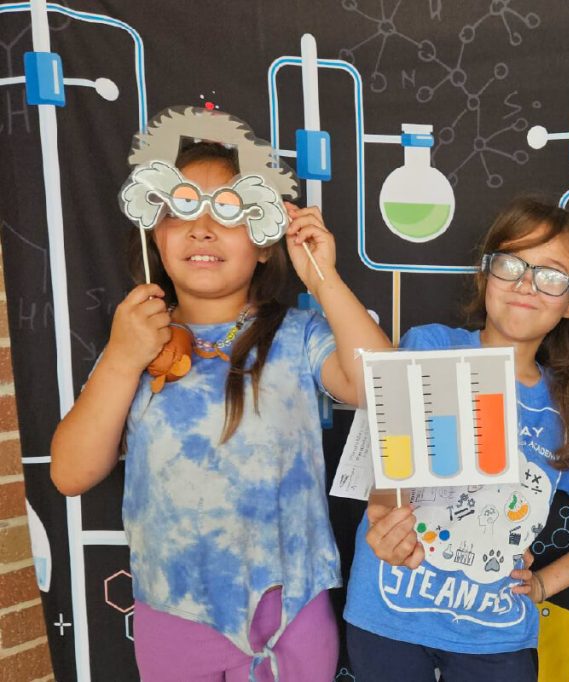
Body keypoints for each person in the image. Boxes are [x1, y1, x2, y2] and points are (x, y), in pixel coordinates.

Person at [50, 108, 390, 681]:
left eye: (228, 211)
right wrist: (123, 357)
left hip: (292, 606)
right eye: (180, 209)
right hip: (175, 611)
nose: (202, 228)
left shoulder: (298, 336)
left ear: (264, 243)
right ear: (155, 233)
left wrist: (322, 278)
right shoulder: (135, 339)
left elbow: (378, 386)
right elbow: (70, 474)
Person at [343, 197, 569, 681]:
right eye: (511, 264)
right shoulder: (431, 347)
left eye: (551, 274)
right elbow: (389, 461)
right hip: (389, 611)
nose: (526, 284)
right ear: (486, 274)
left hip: (495, 633)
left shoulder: (567, 408)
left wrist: (543, 584)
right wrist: (384, 517)